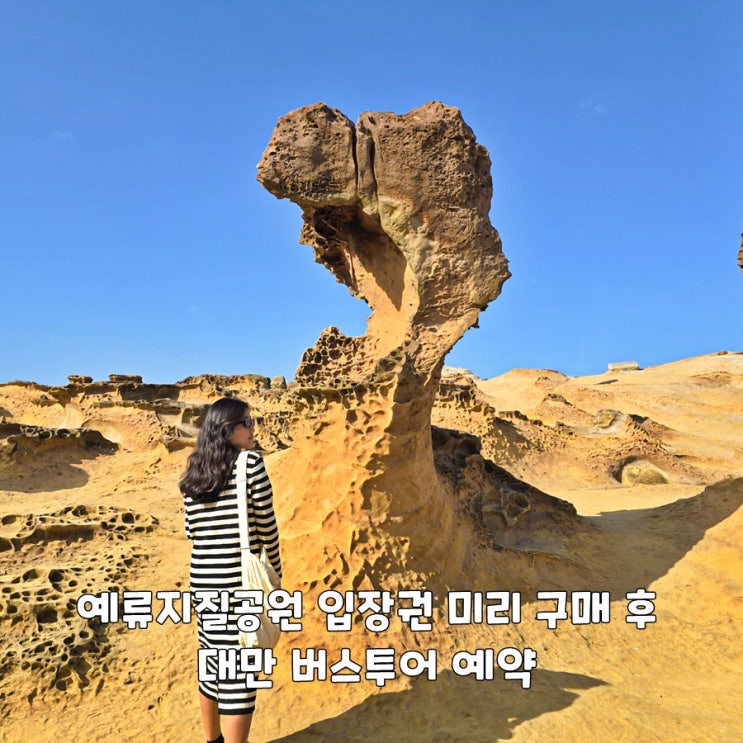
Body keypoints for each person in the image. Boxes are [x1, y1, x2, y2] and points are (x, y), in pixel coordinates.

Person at [180, 397, 282, 743]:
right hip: (238, 584)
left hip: (202, 582)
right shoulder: (250, 464)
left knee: (212, 662)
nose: (253, 429)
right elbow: (267, 528)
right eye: (247, 423)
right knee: (240, 673)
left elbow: (191, 531)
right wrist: (275, 576)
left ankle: (213, 740)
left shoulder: (194, 473)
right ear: (227, 430)